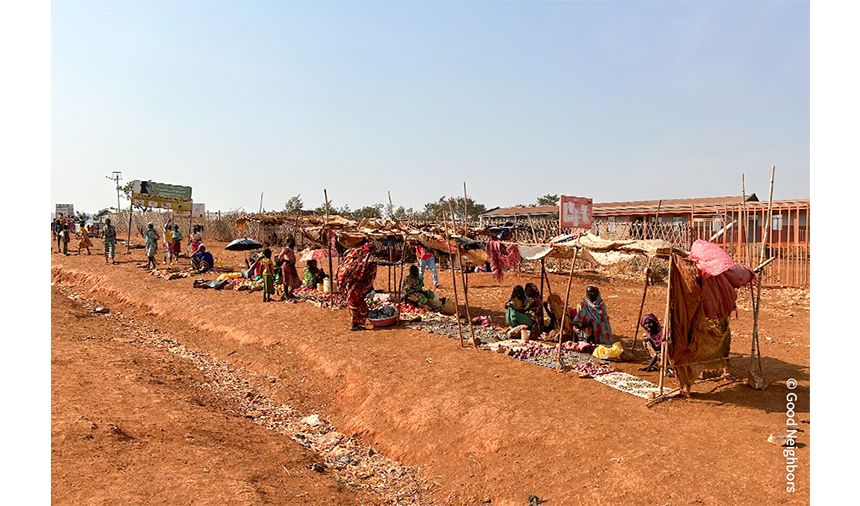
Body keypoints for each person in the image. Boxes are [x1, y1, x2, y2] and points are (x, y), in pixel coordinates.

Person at [336, 239, 378, 331]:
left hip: (344, 280)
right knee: (357, 304)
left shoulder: (352, 254)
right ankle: (355, 324)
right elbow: (371, 265)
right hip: (353, 282)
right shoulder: (366, 257)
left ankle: (356, 322)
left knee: (354, 302)